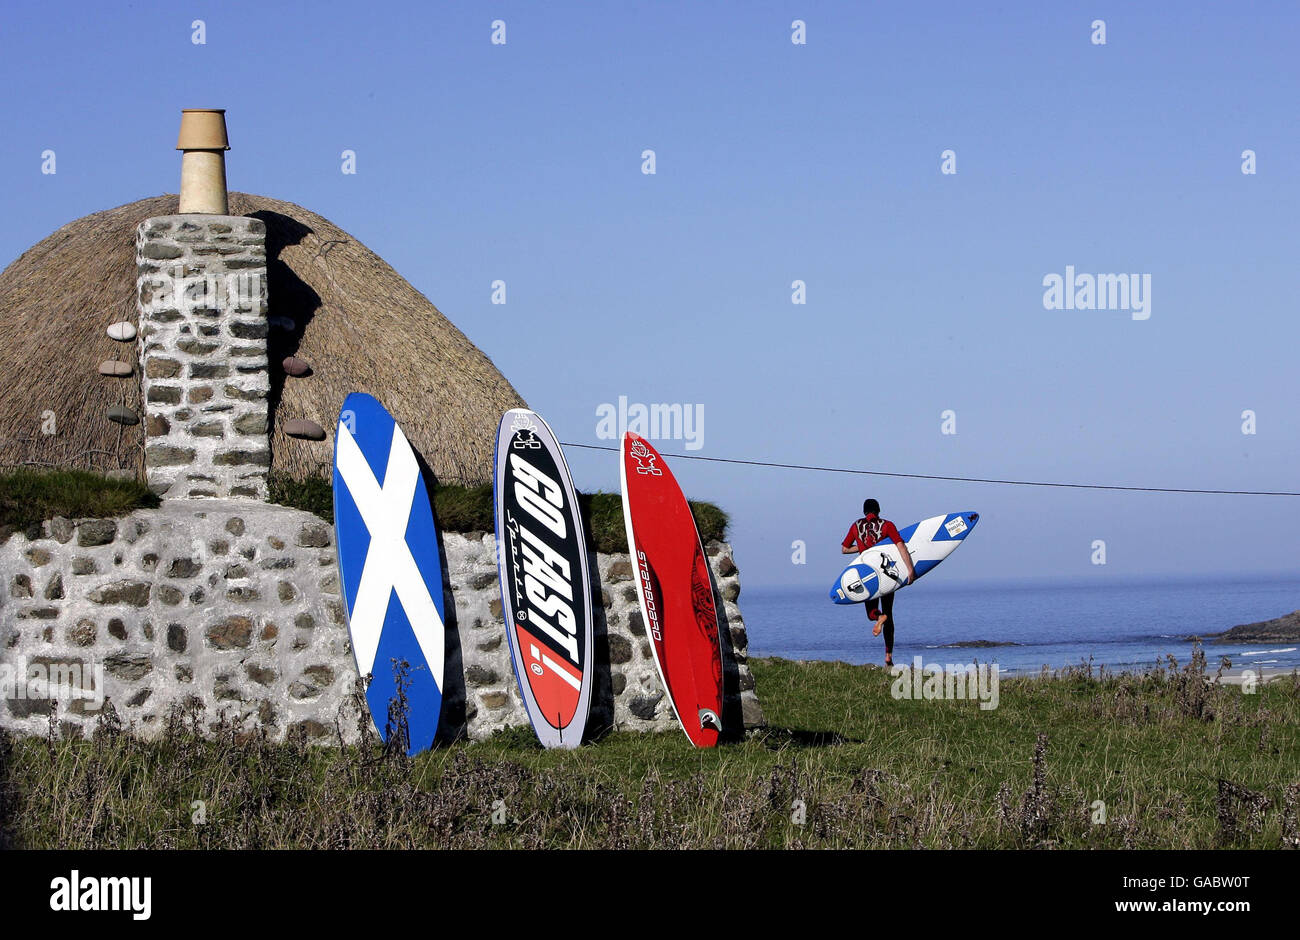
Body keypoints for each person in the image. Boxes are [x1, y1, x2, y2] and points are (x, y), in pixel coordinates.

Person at [841, 498, 915, 667]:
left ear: (864, 511)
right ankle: (888, 655)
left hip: (867, 575)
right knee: (890, 613)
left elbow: (844, 549)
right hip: (887, 574)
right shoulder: (887, 525)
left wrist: (862, 548)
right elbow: (900, 546)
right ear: (879, 510)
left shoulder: (856, 526)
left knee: (871, 613)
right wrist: (910, 570)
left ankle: (879, 616)